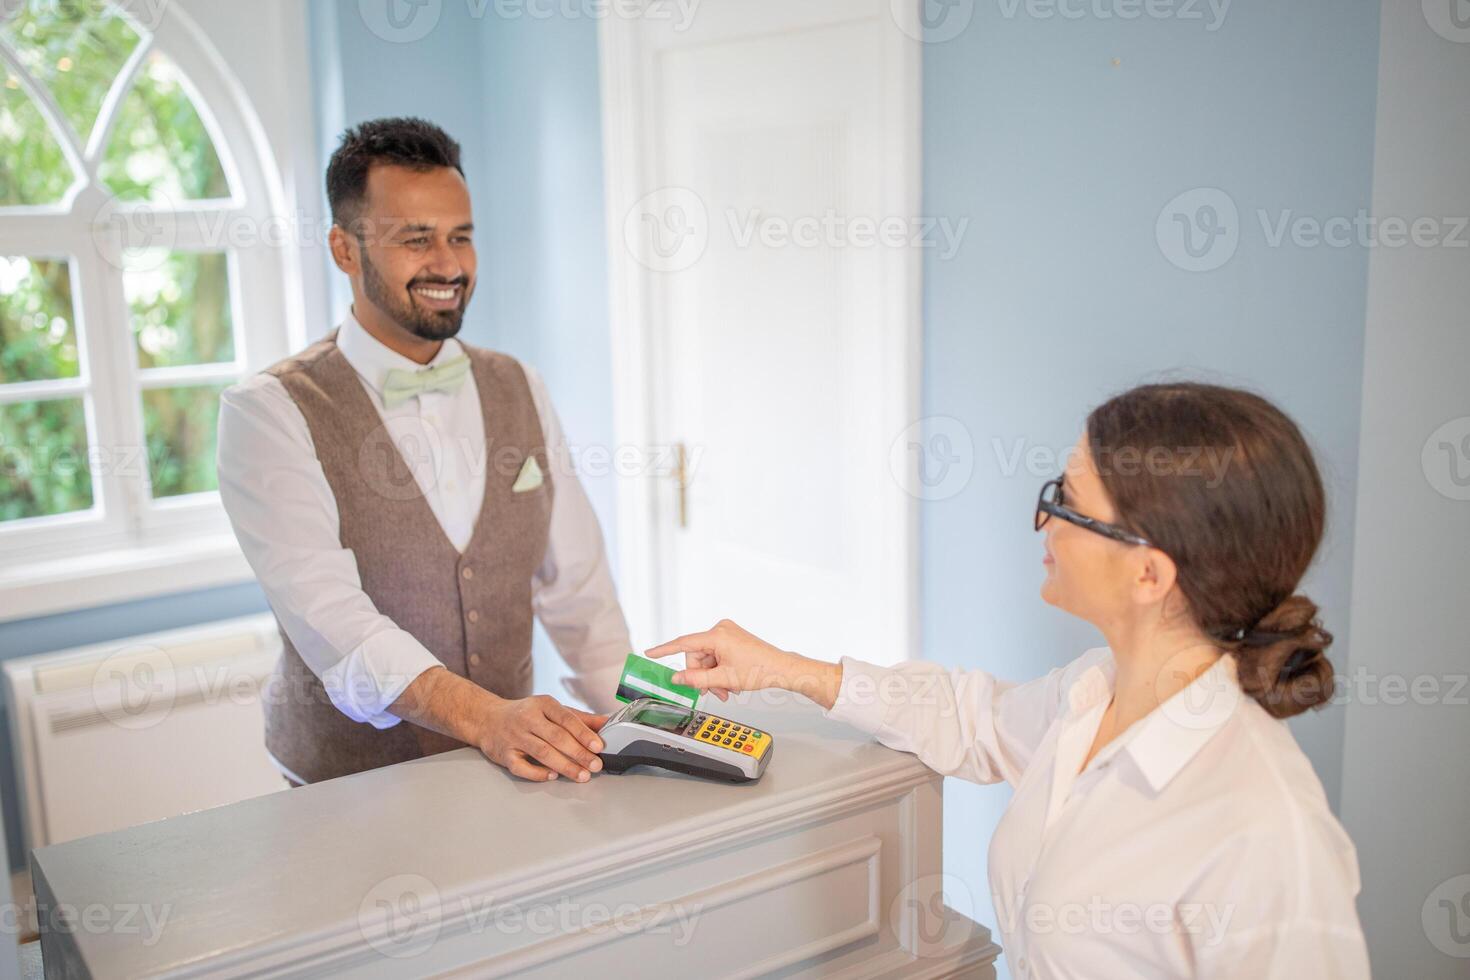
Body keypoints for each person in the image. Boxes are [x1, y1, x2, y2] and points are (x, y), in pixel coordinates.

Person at [648, 382, 1370, 978]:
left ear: (1149, 573)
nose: (1043, 523)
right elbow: (975, 720)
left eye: (1069, 502)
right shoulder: (1095, 692)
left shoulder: (1266, 830)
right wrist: (787, 670)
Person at [218, 118, 625, 787]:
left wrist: (653, 727)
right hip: (345, 789)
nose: (449, 264)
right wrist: (487, 718)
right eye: (417, 239)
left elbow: (580, 592)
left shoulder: (519, 384)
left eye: (461, 236)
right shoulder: (269, 413)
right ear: (344, 250)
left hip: (505, 782)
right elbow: (336, 624)